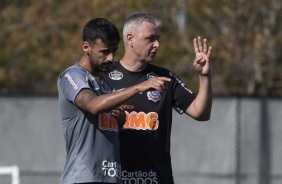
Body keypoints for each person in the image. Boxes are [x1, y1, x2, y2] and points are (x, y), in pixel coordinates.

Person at [102, 12, 212, 184]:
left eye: (157, 38)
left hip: (156, 179)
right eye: (150, 39)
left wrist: (204, 76)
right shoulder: (103, 77)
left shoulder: (165, 78)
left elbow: (201, 113)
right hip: (114, 178)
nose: (157, 45)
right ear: (130, 39)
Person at [57, 18, 171, 184]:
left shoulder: (105, 84)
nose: (111, 58)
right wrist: (138, 87)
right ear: (86, 47)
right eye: (104, 51)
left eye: (114, 51)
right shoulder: (72, 76)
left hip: (111, 178)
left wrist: (120, 120)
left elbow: (105, 129)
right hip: (83, 177)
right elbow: (93, 105)